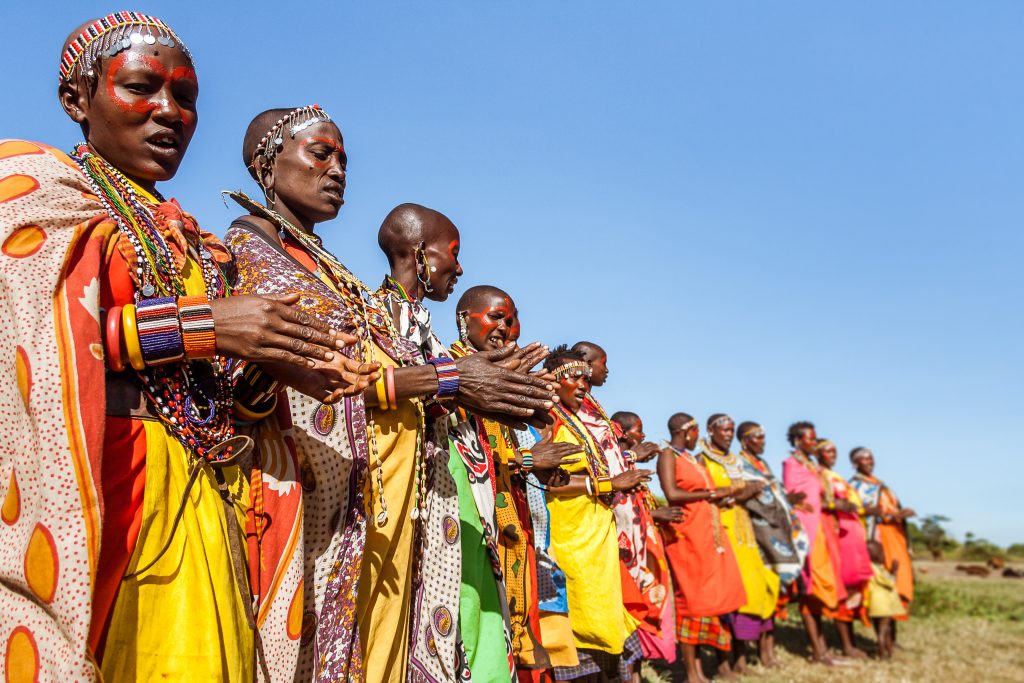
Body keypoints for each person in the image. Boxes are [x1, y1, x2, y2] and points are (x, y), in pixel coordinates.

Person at [0, 15, 362, 680]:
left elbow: (222, 398)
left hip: (202, 494)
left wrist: (275, 366)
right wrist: (206, 326)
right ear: (77, 100)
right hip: (99, 497)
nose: (169, 112)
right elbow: (37, 343)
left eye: (187, 98)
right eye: (143, 87)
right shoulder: (35, 193)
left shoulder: (199, 245)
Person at [226, 106, 558, 683]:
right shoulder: (249, 250)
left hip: (376, 495)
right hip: (304, 495)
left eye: (344, 160)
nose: (338, 172)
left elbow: (377, 373)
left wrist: (478, 377)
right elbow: (327, 376)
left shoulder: (329, 270)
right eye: (321, 154)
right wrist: (456, 381)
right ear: (266, 161)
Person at [450, 286, 581, 681]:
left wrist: (537, 468)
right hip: (470, 519)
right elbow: (458, 449)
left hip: (512, 517)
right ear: (463, 320)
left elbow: (503, 449)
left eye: (512, 319)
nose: (506, 327)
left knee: (519, 627)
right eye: (496, 317)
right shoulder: (452, 370)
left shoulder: (505, 374)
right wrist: (529, 460)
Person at [541, 347, 650, 682]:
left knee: (603, 613)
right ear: (554, 381)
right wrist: (606, 483)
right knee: (582, 616)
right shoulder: (548, 420)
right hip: (570, 534)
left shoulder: (580, 420)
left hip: (596, 532)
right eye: (575, 377)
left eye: (586, 378)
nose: (583, 385)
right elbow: (547, 484)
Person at [657, 413, 746, 683]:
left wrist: (723, 497)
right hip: (686, 537)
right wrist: (712, 494)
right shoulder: (668, 455)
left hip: (708, 536)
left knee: (718, 596)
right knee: (692, 601)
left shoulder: (691, 458)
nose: (700, 438)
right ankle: (692, 674)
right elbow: (672, 493)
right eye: (697, 432)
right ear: (689, 430)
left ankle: (720, 665)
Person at [698, 415, 781, 674]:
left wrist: (744, 491)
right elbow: (707, 495)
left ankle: (743, 657)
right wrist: (743, 490)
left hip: (745, 533)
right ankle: (728, 662)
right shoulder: (703, 460)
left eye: (731, 430)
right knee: (729, 594)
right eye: (723, 429)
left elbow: (750, 492)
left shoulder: (737, 461)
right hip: (721, 532)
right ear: (710, 430)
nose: (728, 434)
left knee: (753, 591)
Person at [610, 411, 682, 671]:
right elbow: (617, 507)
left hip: (641, 551)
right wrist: (656, 513)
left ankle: (637, 671)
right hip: (625, 552)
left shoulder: (627, 466)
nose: (643, 436)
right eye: (639, 430)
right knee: (631, 608)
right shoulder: (613, 464)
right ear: (625, 433)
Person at [734, 421, 807, 668]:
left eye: (764, 436)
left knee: (772, 593)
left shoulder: (762, 465)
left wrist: (788, 499)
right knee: (751, 596)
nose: (763, 441)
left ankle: (768, 654)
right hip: (752, 535)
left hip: (774, 536)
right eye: (757, 436)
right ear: (744, 440)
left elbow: (773, 495)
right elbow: (744, 495)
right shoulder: (738, 464)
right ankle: (742, 658)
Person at [782, 421, 846, 664]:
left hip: (822, 528)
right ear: (798, 441)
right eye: (810, 439)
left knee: (818, 589)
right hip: (807, 531)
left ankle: (822, 650)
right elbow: (791, 497)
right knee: (812, 588)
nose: (814, 442)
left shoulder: (812, 466)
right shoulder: (792, 464)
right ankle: (818, 652)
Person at [815, 439, 873, 658]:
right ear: (818, 453)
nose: (833, 455)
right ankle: (846, 645)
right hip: (839, 536)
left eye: (834, 451)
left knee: (855, 588)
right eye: (828, 451)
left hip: (853, 535)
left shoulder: (836, 476)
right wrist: (836, 505)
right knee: (844, 586)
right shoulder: (820, 475)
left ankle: (852, 642)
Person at [850, 448, 915, 623]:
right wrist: (894, 515)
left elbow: (890, 507)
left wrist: (900, 514)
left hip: (896, 535)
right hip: (878, 537)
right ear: (855, 463)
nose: (869, 462)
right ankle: (883, 638)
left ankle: (891, 637)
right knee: (883, 583)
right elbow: (861, 511)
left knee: (899, 579)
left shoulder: (880, 484)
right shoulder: (856, 486)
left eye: (871, 458)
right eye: (864, 459)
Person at [865, 540, 905, 660]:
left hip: (874, 605)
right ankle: (882, 655)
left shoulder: (870, 567)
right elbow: (890, 582)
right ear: (876, 555)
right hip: (883, 605)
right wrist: (894, 571)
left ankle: (889, 652)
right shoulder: (877, 569)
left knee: (880, 629)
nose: (883, 555)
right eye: (881, 552)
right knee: (884, 631)